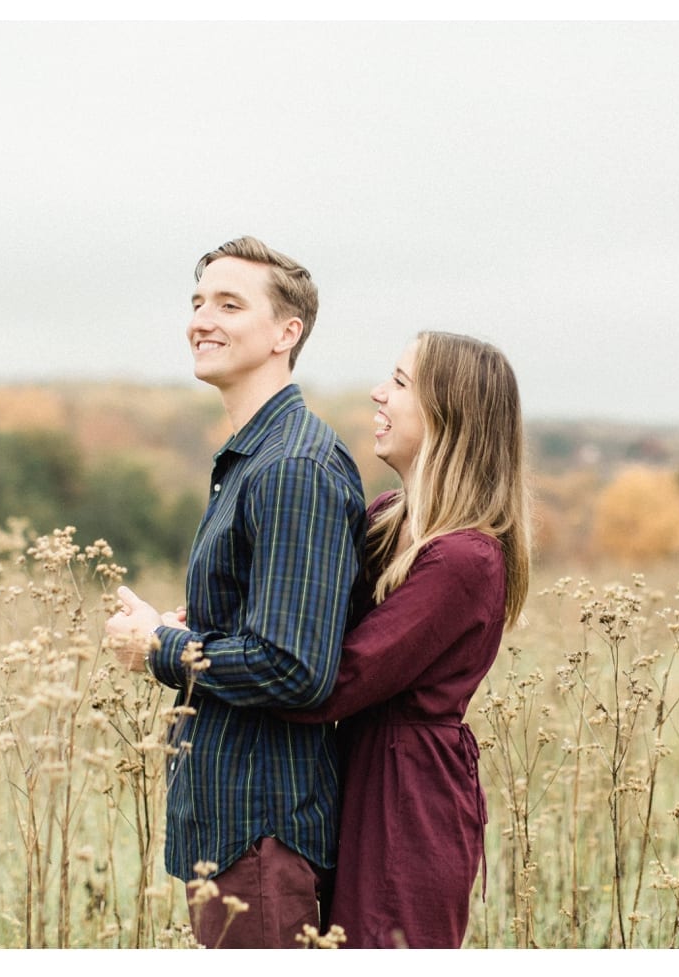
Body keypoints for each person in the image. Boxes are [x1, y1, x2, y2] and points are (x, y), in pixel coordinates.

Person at [104, 236, 367, 949]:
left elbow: (294, 666)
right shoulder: (251, 459)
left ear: (288, 333)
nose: (201, 319)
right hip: (229, 824)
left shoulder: (292, 469)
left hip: (263, 831)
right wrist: (190, 626)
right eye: (197, 302)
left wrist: (160, 646)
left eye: (228, 303)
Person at [274, 330, 532, 949]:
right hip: (355, 776)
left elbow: (336, 682)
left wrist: (200, 661)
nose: (377, 392)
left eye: (399, 382)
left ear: (449, 415)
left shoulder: (467, 558)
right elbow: (308, 617)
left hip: (407, 802)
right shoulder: (389, 516)